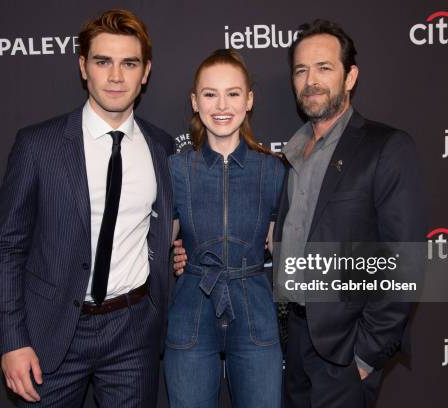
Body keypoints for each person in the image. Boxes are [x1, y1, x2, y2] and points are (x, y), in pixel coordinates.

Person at [174, 19, 426, 408]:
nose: (312, 80)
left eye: (324, 68)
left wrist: (365, 356)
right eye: (302, 70)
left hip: (344, 350)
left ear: (350, 75)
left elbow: (405, 262)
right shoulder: (292, 155)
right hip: (295, 338)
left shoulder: (386, 147)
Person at [0, 9, 173, 407]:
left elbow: (167, 227)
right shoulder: (38, 145)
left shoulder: (161, 148)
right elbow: (7, 248)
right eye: (103, 62)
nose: (116, 76)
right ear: (83, 67)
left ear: (146, 72)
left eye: (129, 63)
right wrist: (13, 339)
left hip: (133, 331)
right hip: (51, 332)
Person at [164, 49, 285, 408]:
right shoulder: (175, 169)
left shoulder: (274, 170)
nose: (222, 104)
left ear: (249, 101)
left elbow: (283, 250)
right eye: (209, 93)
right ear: (195, 102)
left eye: (233, 93)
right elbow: (155, 244)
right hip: (191, 307)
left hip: (255, 310)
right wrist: (175, 250)